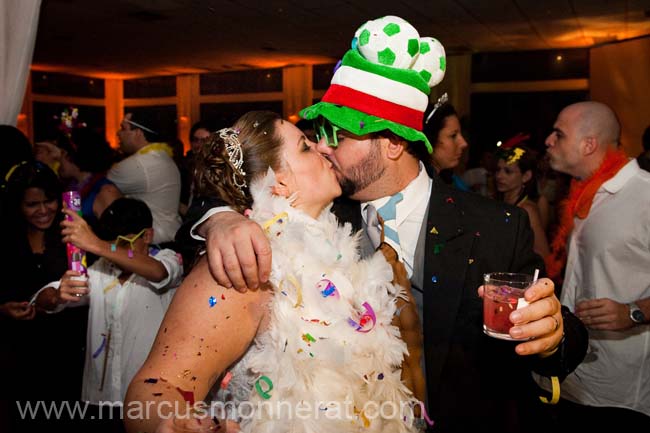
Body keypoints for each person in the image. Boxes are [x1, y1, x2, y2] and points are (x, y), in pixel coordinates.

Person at [180, 16, 587, 433]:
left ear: (392, 143)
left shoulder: (497, 225)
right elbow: (234, 187)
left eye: (338, 134)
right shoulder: (319, 215)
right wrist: (218, 217)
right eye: (320, 133)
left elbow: (564, 336)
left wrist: (553, 334)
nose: (322, 146)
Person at [125, 111, 424, 433]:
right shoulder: (245, 263)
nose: (324, 148)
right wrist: (170, 424)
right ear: (278, 182)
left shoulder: (345, 240)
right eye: (305, 147)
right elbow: (156, 385)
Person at [541, 101, 650, 428]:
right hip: (572, 378)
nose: (548, 140)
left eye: (559, 134)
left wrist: (634, 311)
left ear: (589, 144)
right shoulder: (586, 193)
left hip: (619, 393)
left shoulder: (643, 195)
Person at [34, 197, 182, 431]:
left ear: (148, 236)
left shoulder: (167, 259)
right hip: (99, 399)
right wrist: (57, 295)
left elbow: (158, 273)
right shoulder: (101, 270)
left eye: (124, 243)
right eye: (111, 243)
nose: (115, 251)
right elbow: (46, 298)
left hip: (148, 400)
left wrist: (96, 244)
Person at [0, 161, 88, 432]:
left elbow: (90, 285)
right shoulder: (6, 237)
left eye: (48, 201)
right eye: (32, 205)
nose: (42, 211)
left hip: (68, 347)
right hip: (19, 350)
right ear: (17, 205)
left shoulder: (73, 234)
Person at [108, 112, 182, 245]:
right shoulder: (162, 156)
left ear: (138, 132)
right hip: (171, 236)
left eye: (123, 128)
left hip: (153, 243)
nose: (118, 133)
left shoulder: (139, 163)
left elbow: (100, 190)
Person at [58, 128, 122, 230]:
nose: (58, 160)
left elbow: (116, 240)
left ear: (73, 156)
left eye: (62, 153)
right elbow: (72, 224)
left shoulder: (106, 191)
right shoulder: (73, 187)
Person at [494, 142, 550, 257]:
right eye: (498, 170)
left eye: (507, 171)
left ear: (526, 176)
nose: (499, 176)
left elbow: (543, 254)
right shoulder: (497, 202)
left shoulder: (527, 209)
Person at [422, 96, 470, 192]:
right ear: (430, 140)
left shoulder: (454, 183)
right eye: (453, 136)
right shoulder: (421, 190)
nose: (463, 143)